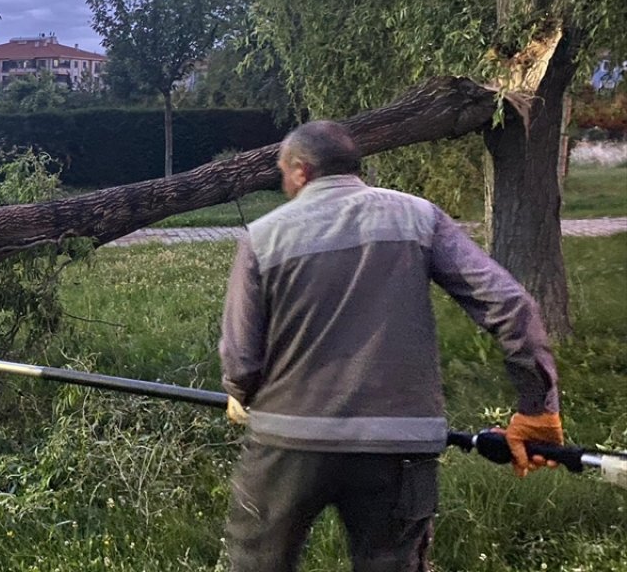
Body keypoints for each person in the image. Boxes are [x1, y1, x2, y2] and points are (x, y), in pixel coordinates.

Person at [219, 121, 562, 572]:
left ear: (300, 172)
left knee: (255, 562)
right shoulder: (420, 217)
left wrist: (241, 392)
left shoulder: (262, 237)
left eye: (283, 175)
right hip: (399, 446)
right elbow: (511, 305)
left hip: (288, 442)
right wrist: (537, 407)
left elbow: (242, 358)